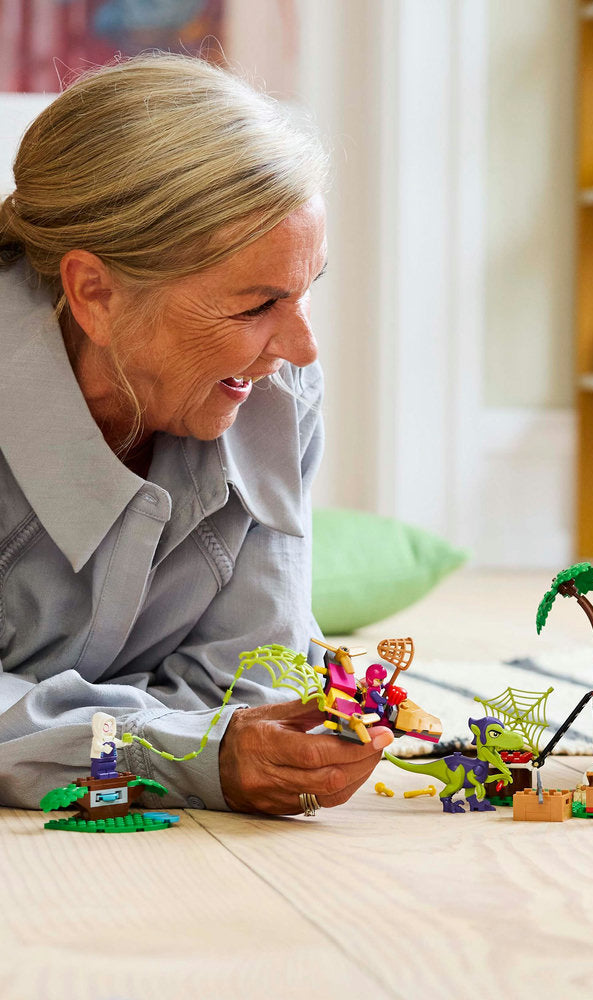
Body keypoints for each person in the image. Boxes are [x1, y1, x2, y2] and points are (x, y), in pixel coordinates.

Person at [0, 53, 391, 816]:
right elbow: (210, 735)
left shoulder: (277, 392)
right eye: (257, 305)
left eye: (306, 290)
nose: (302, 349)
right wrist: (174, 749)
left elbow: (252, 682)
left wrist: (234, 744)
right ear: (95, 293)